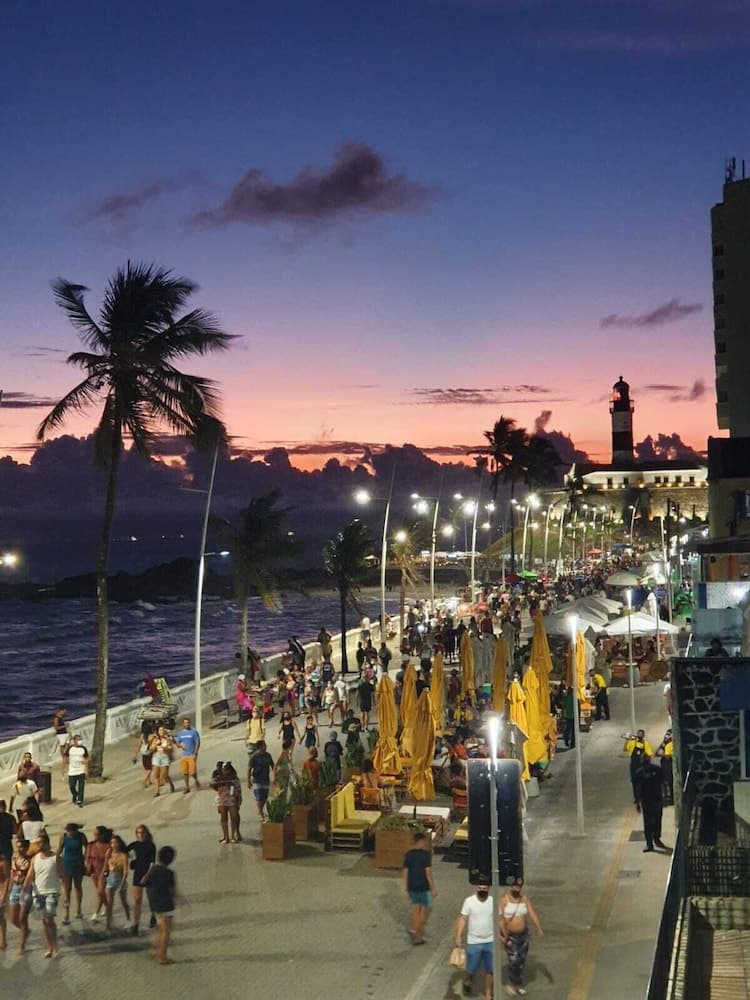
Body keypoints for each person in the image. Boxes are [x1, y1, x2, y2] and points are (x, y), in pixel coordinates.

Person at [499, 877, 543, 996]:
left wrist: (538, 927)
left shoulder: (524, 899)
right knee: (514, 960)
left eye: (519, 886)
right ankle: (512, 983)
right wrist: (502, 935)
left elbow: (532, 913)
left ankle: (517, 984)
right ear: (510, 886)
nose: (517, 887)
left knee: (521, 960)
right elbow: (500, 919)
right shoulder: (504, 900)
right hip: (510, 936)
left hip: (523, 935)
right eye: (514, 885)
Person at [23, 832, 62, 958]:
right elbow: (30, 875)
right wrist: (24, 890)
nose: (39, 845)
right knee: (44, 921)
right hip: (38, 893)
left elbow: (62, 875)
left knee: (49, 919)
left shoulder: (55, 858)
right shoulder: (35, 858)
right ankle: (49, 947)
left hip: (52, 891)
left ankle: (55, 947)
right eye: (37, 843)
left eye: (41, 842)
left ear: (47, 843)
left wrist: (66, 892)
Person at [455, 879, 495, 1000]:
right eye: (480, 888)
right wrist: (458, 936)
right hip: (474, 941)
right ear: (476, 888)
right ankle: (468, 980)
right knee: (471, 968)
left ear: (488, 889)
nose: (482, 890)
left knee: (490, 969)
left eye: (484, 888)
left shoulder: (493, 901)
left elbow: (499, 919)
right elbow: (463, 918)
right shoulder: (469, 901)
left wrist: (503, 935)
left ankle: (488, 993)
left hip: (490, 941)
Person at [142, 845, 177, 965]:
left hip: (154, 903)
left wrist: (149, 871)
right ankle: (162, 956)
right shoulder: (169, 873)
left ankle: (156, 951)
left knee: (159, 928)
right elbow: (172, 891)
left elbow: (143, 882)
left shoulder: (153, 869)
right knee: (166, 931)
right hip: (166, 904)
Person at [402, 831, 435, 945]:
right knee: (427, 908)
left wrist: (405, 888)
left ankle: (416, 932)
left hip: (412, 885)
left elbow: (405, 871)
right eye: (424, 841)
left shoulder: (409, 854)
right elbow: (428, 872)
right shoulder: (426, 855)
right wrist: (433, 887)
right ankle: (416, 931)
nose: (425, 843)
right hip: (423, 885)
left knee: (416, 910)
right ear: (420, 842)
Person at [127, 824, 157, 936]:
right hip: (138, 873)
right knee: (137, 900)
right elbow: (124, 850)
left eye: (143, 832)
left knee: (151, 898)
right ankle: (136, 925)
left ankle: (153, 915)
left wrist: (146, 875)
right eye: (138, 832)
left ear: (146, 833)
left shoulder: (151, 845)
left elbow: (152, 863)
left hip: (149, 873)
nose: (141, 834)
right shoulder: (134, 845)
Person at [56, 822, 87, 924]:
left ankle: (79, 909)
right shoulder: (63, 837)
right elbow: (59, 850)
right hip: (67, 864)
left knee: (78, 887)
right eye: (68, 831)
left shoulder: (81, 836)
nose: (70, 833)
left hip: (78, 863)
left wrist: (85, 858)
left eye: (71, 831)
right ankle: (67, 913)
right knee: (67, 889)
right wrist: (56, 861)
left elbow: (87, 848)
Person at [7, 837, 32, 954]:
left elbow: (30, 875)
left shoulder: (30, 859)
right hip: (15, 888)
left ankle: (22, 946)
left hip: (26, 888)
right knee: (12, 919)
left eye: (21, 847)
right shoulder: (14, 858)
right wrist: (9, 888)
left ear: (26, 847)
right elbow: (12, 874)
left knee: (22, 918)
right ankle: (25, 931)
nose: (19, 849)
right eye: (17, 847)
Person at [103, 834, 131, 932]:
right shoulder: (109, 854)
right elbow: (105, 868)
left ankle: (128, 919)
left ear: (119, 843)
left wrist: (122, 884)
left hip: (120, 879)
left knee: (124, 902)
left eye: (116, 842)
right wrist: (105, 875)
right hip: (111, 879)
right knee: (109, 904)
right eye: (112, 843)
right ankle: (108, 926)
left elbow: (125, 871)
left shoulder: (123, 855)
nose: (114, 845)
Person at [85, 825, 111, 921]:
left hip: (105, 870)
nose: (95, 836)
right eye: (94, 834)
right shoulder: (91, 845)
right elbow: (87, 857)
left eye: (97, 834)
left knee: (100, 891)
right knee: (99, 892)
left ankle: (96, 912)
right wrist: (88, 868)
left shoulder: (108, 845)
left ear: (102, 835)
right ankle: (107, 907)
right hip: (94, 870)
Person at [624, 729, 653, 811]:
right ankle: (636, 798)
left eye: (641, 734)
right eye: (638, 734)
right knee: (634, 782)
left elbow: (649, 754)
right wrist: (627, 740)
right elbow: (625, 749)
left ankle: (643, 796)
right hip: (634, 765)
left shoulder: (646, 743)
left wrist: (647, 765)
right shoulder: (632, 742)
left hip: (642, 766)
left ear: (643, 735)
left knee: (642, 782)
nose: (639, 735)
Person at [248, 740, 275, 821]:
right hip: (257, 779)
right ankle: (260, 813)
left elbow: (273, 765)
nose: (265, 747)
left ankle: (261, 811)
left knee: (264, 797)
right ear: (260, 747)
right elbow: (249, 768)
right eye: (264, 745)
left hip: (265, 779)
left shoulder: (268, 755)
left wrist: (275, 776)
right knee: (259, 797)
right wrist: (248, 780)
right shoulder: (254, 757)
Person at [174, 717, 201, 793]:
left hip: (192, 754)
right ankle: (187, 787)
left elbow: (197, 742)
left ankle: (196, 780)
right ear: (183, 724)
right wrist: (179, 745)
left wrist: (196, 752)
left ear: (190, 723)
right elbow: (177, 743)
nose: (186, 724)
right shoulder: (181, 733)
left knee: (192, 772)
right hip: (184, 755)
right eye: (185, 723)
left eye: (188, 722)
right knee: (185, 772)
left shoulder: (194, 732)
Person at [64, 733, 89, 807]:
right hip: (72, 771)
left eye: (80, 739)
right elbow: (65, 758)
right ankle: (75, 795)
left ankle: (80, 800)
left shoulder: (83, 748)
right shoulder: (70, 749)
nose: (79, 741)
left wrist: (86, 770)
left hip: (81, 770)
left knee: (81, 786)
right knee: (72, 786)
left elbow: (86, 759)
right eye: (78, 740)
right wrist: (64, 769)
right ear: (74, 741)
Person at [150, 726, 176, 796]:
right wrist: (155, 745)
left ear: (164, 731)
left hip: (165, 757)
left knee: (165, 775)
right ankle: (157, 791)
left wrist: (166, 748)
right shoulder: (155, 739)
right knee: (156, 775)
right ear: (158, 732)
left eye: (162, 730)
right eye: (160, 730)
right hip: (156, 757)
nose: (161, 731)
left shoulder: (167, 739)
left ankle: (171, 784)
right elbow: (151, 749)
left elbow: (171, 748)